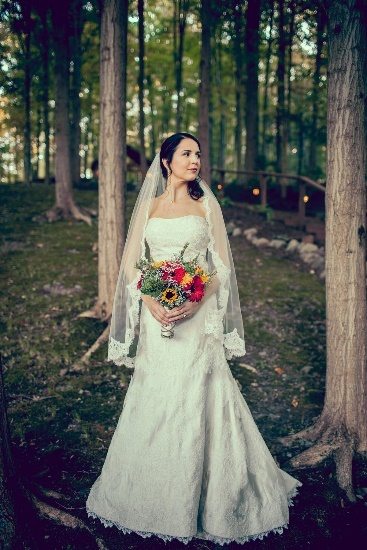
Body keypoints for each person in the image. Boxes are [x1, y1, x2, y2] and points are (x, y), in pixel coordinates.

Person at [86, 132, 302, 545]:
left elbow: (220, 266)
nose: (195, 160)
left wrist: (196, 298)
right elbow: (132, 263)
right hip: (157, 316)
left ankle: (211, 498)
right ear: (166, 162)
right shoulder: (148, 207)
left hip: (196, 318)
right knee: (157, 394)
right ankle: (148, 494)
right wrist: (150, 300)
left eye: (198, 154)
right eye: (186, 153)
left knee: (199, 394)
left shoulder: (206, 206)